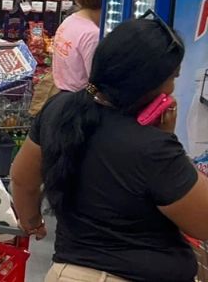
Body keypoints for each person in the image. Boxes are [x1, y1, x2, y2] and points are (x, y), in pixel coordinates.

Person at [11, 17, 208, 282]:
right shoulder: (153, 148)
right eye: (171, 78)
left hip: (65, 273)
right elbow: (202, 222)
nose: (172, 89)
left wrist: (32, 221)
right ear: (146, 83)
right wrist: (169, 141)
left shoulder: (59, 110)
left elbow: (23, 179)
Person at [52, 0, 104, 92]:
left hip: (61, 96)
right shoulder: (92, 34)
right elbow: (95, 81)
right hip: (79, 102)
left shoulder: (70, 21)